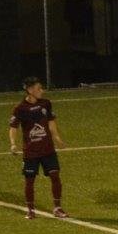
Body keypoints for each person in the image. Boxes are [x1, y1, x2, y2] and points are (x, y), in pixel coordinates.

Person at [8, 76, 69, 219]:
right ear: (30, 90)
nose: (42, 91)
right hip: (31, 151)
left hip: (48, 149)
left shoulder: (46, 103)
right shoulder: (20, 108)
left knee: (55, 176)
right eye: (38, 88)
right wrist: (13, 143)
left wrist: (57, 138)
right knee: (29, 181)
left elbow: (51, 122)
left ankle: (57, 208)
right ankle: (30, 210)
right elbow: (13, 127)